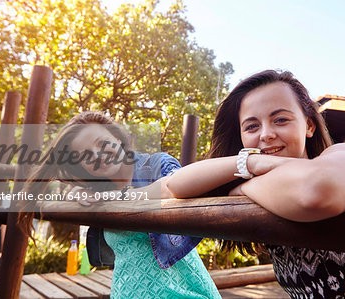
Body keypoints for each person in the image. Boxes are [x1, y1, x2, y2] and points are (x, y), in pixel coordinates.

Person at [166, 70, 345, 298]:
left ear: (309, 125)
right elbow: (177, 184)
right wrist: (250, 164)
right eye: (252, 126)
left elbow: (315, 193)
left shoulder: (344, 157)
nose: (265, 134)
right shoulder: (259, 180)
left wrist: (243, 187)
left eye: (280, 120)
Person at [19, 112, 220, 298]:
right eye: (85, 156)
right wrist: (73, 192)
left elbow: (173, 187)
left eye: (102, 143)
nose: (98, 155)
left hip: (183, 291)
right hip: (126, 291)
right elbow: (43, 190)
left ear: (117, 138)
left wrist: (110, 198)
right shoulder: (95, 188)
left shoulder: (156, 164)